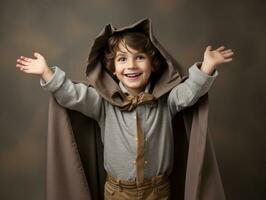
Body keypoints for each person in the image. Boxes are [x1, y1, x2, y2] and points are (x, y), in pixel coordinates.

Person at [16, 18, 233, 200]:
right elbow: (73, 95)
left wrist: (207, 67)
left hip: (158, 192)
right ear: (113, 69)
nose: (131, 65)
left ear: (153, 64)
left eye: (139, 57)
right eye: (122, 59)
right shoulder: (103, 103)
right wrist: (46, 73)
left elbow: (189, 93)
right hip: (118, 193)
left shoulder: (166, 101)